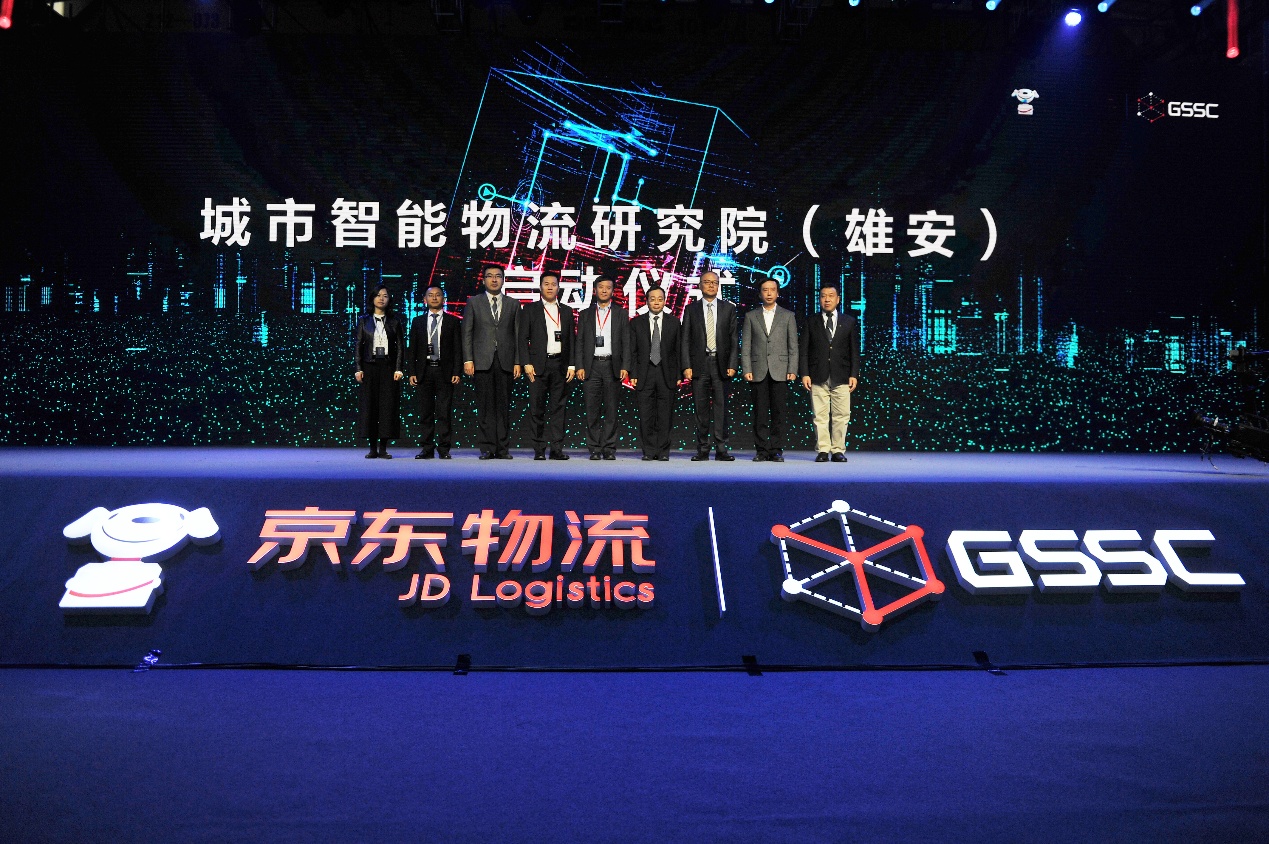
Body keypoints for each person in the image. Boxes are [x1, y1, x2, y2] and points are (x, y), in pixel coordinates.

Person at [462, 265, 521, 459]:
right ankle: (487, 448)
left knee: (503, 407)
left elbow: (518, 335)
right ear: (483, 280)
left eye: (498, 276)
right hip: (481, 361)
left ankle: (503, 449)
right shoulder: (473, 302)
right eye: (490, 276)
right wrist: (468, 359)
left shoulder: (513, 303)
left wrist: (517, 361)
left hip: (506, 361)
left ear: (503, 280)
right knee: (485, 406)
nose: (494, 280)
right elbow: (467, 332)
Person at [680, 270, 738, 461]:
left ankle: (721, 449)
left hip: (721, 364)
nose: (711, 285)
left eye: (714, 282)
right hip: (699, 364)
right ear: (700, 285)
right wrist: (686, 365)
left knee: (721, 408)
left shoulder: (728, 308)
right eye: (707, 282)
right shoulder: (691, 309)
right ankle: (703, 449)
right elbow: (685, 340)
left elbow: (733, 339)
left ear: (718, 285)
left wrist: (732, 363)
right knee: (701, 409)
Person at [799, 283, 860, 463]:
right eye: (823, 296)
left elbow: (854, 351)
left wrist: (854, 374)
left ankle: (838, 450)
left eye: (831, 296)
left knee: (842, 415)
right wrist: (804, 373)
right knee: (820, 415)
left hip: (842, 375)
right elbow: (804, 350)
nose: (827, 299)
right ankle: (823, 450)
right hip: (817, 374)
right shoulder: (811, 321)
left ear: (838, 299)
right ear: (819, 299)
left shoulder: (849, 321)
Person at [518, 272, 575, 460]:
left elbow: (571, 340)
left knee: (559, 409)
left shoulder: (566, 311)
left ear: (559, 287)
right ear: (540, 287)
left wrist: (572, 365)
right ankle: (539, 450)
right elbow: (522, 338)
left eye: (553, 284)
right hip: (537, 367)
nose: (550, 287)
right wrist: (526, 363)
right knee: (537, 409)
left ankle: (557, 450)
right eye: (546, 283)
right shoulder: (530, 309)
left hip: (561, 365)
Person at [742, 277, 799, 462]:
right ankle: (761, 450)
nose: (768, 293)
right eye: (765, 290)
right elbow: (746, 345)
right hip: (757, 369)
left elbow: (793, 346)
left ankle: (776, 449)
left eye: (772, 290)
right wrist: (746, 368)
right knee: (760, 413)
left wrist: (792, 368)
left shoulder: (788, 315)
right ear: (760, 294)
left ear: (777, 293)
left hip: (780, 370)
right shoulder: (751, 316)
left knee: (779, 412)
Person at [575, 277, 630, 460]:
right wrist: (579, 365)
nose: (604, 290)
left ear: (613, 291)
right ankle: (594, 448)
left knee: (611, 410)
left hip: (612, 365)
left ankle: (609, 448)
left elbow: (626, 342)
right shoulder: (585, 314)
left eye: (608, 287)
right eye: (601, 287)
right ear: (595, 290)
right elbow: (580, 342)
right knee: (592, 410)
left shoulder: (621, 313)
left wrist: (625, 365)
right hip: (591, 366)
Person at [408, 284, 462, 460]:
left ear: (443, 299)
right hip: (424, 371)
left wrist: (457, 371)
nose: (434, 298)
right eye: (430, 295)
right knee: (425, 412)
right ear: (425, 300)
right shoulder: (417, 321)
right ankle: (427, 448)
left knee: (444, 412)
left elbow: (458, 349)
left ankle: (444, 449)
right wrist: (412, 371)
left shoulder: (453, 321)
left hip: (444, 371)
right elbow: (412, 349)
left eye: (438, 295)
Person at [629, 286, 681, 461]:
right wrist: (633, 374)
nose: (656, 302)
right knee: (646, 414)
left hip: (667, 374)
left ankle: (663, 451)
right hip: (645, 373)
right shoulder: (636, 323)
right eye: (652, 299)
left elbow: (678, 350)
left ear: (665, 301)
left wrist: (679, 374)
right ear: (647, 301)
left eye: (660, 299)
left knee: (665, 415)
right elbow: (632, 351)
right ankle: (649, 451)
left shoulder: (674, 322)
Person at [353, 285, 405, 459]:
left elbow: (400, 347)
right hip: (369, 366)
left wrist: (399, 368)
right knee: (370, 406)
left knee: (387, 406)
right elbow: (358, 346)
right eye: (378, 295)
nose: (381, 298)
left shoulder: (395, 321)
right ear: (372, 299)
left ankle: (383, 448)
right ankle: (372, 448)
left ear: (389, 300)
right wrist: (358, 368)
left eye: (385, 296)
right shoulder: (364, 320)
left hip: (388, 367)